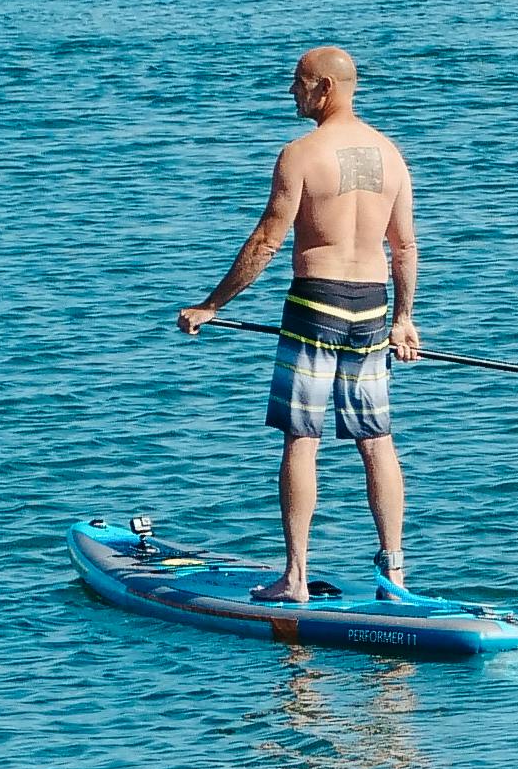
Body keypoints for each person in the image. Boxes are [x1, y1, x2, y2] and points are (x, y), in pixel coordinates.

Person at [174, 47, 427, 606]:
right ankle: (397, 574)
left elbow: (267, 240)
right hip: (372, 304)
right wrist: (405, 319)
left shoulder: (302, 155)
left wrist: (212, 304)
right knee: (376, 440)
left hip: (316, 302)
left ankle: (294, 577)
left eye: (298, 83)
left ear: (324, 89)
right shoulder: (391, 155)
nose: (291, 92)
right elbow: (404, 245)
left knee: (302, 439)